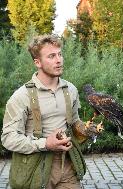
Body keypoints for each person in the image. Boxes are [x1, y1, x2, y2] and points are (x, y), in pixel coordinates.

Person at [1, 34, 85, 189]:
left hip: (67, 166)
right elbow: (8, 138)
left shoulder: (70, 90)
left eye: (60, 54)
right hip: (35, 169)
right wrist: (45, 143)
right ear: (37, 62)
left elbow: (74, 122)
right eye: (52, 56)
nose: (59, 60)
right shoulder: (21, 96)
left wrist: (86, 129)